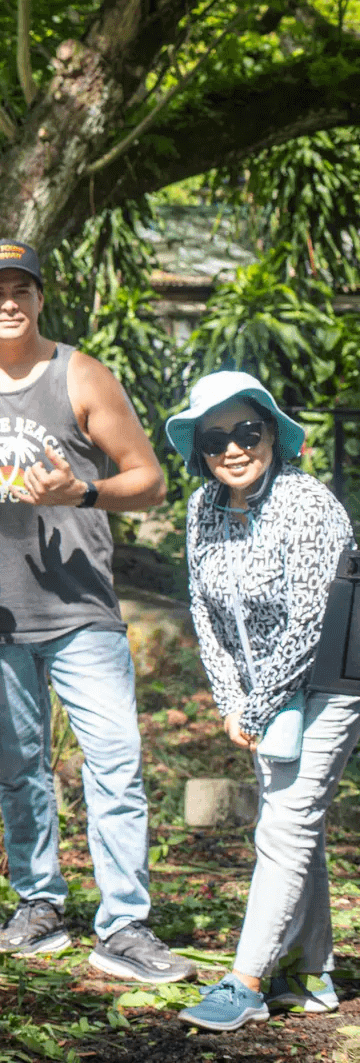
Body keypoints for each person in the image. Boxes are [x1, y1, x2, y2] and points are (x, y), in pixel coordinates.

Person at [0, 238, 191, 983]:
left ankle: (125, 927)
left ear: (40, 297)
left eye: (22, 290)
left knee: (115, 763)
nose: (8, 303)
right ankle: (38, 906)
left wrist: (81, 490)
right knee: (19, 769)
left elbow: (149, 480)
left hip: (81, 612)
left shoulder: (82, 374)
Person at [166, 373, 357, 1031]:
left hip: (329, 682)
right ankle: (312, 977)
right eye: (216, 438)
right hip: (257, 688)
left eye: (247, 431)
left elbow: (309, 622)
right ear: (200, 450)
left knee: (283, 824)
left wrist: (255, 708)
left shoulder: (309, 504)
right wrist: (231, 696)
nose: (233, 448)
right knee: (294, 824)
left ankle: (244, 981)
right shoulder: (202, 508)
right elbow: (203, 611)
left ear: (272, 433)